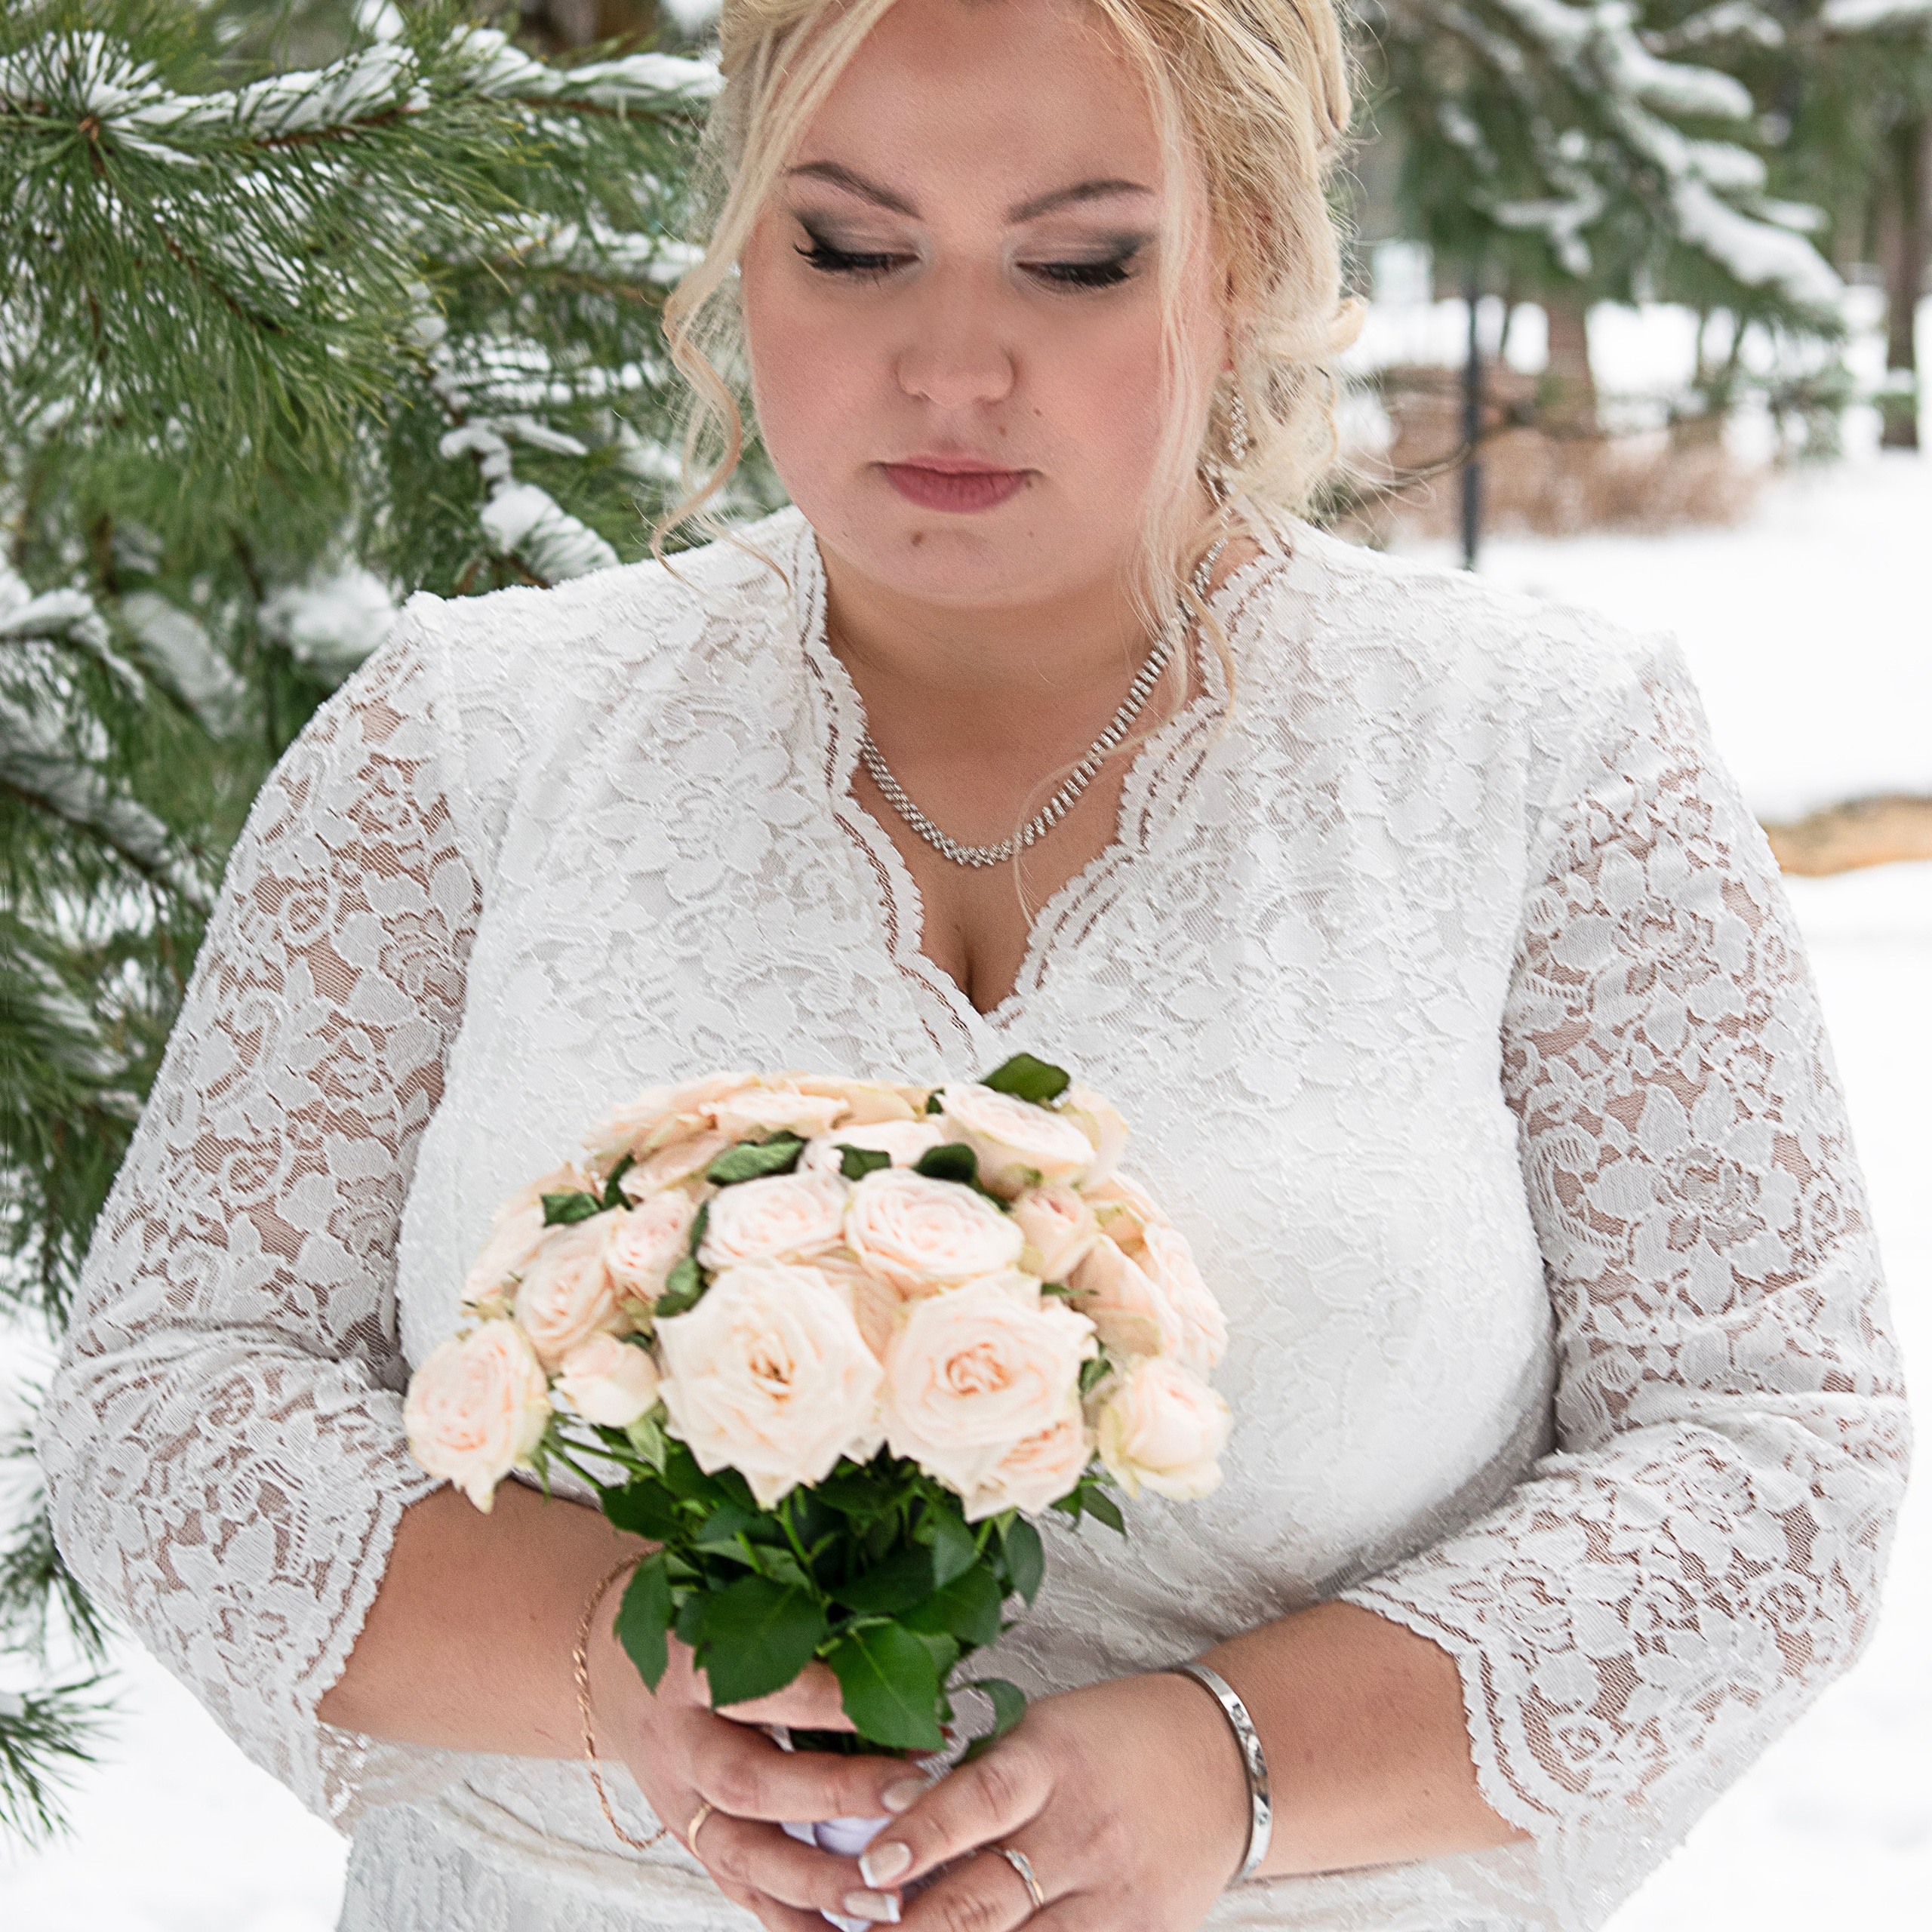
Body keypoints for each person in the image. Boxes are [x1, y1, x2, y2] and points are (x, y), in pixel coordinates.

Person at [38, 2, 1909, 1930]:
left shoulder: (1540, 756)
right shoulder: (467, 743)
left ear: (1245, 256)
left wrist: (1230, 1762)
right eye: (847, 248)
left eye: (1077, 261)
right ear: (739, 241)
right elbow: (170, 1388)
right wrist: (625, 1664)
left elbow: (1774, 1451)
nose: (947, 365)